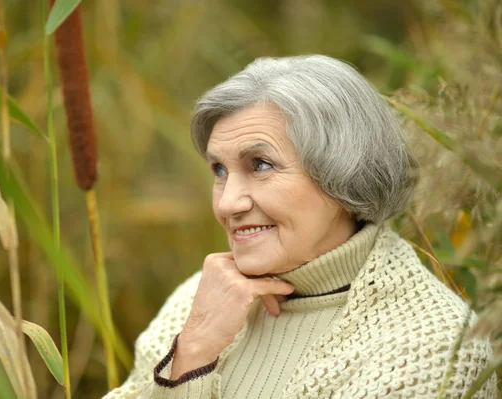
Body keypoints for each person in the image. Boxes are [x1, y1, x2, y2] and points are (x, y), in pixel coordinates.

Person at [103, 55, 496, 398]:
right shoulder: (201, 299)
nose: (227, 203)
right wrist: (195, 348)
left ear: (344, 175)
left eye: (260, 165)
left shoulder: (432, 346)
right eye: (219, 170)